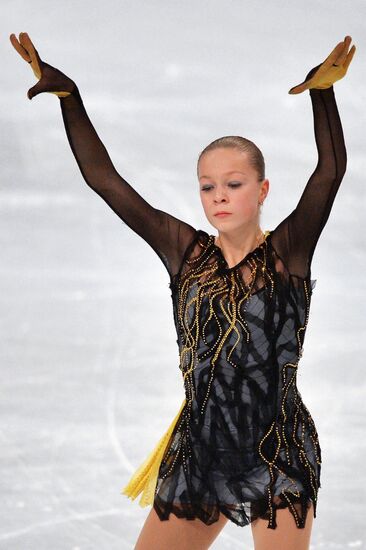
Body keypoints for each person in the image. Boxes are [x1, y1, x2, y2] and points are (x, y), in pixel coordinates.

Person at [10, 32, 355, 550]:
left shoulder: (287, 257)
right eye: (208, 185)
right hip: (200, 452)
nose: (219, 196)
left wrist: (322, 93)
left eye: (233, 184)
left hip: (277, 450)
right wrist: (70, 97)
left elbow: (329, 173)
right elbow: (105, 180)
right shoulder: (186, 255)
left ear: (262, 191)